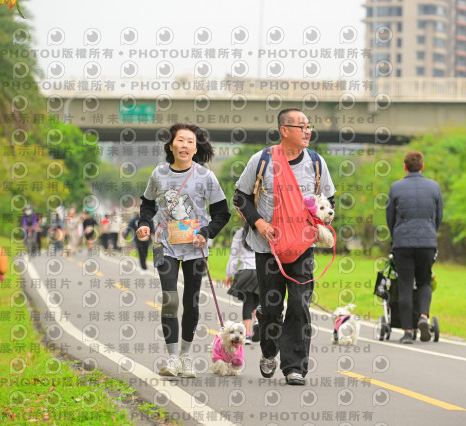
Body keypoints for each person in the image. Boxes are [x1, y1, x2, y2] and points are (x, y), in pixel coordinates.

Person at [233, 108, 336, 386]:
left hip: (302, 248)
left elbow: (329, 200)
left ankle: (295, 367)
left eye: (308, 126)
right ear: (284, 130)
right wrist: (259, 224)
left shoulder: (316, 163)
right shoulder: (263, 160)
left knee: (300, 304)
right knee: (271, 307)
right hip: (268, 248)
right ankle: (269, 351)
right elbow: (240, 197)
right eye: (301, 126)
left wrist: (321, 224)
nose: (307, 131)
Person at [136, 123, 230, 378]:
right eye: (180, 140)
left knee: (190, 302)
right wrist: (144, 224)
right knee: (170, 299)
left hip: (194, 249)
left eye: (190, 142)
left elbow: (222, 213)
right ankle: (172, 358)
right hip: (164, 246)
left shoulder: (205, 176)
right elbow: (147, 205)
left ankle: (186, 356)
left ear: (195, 148)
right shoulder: (159, 174)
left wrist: (206, 232)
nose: (185, 145)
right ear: (171, 146)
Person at [385, 150, 443, 344]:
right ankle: (423, 317)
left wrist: (396, 236)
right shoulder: (434, 187)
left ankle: (408, 332)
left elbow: (390, 218)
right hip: (427, 242)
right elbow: (439, 216)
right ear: (422, 166)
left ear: (405, 167)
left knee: (405, 286)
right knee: (425, 282)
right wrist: (430, 233)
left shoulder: (395, 188)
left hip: (403, 243)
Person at [225, 222, 259, 345]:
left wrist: (230, 274)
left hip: (245, 272)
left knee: (248, 302)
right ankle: (257, 321)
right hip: (261, 271)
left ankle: (248, 335)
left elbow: (234, 257)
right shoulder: (263, 231)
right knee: (258, 301)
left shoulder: (240, 233)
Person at [126, 209, 151, 274]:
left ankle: (144, 264)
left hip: (147, 239)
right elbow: (129, 227)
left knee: (145, 253)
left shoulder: (148, 218)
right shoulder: (135, 219)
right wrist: (126, 235)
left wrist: (153, 233)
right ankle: (143, 267)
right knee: (141, 253)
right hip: (138, 239)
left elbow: (152, 226)